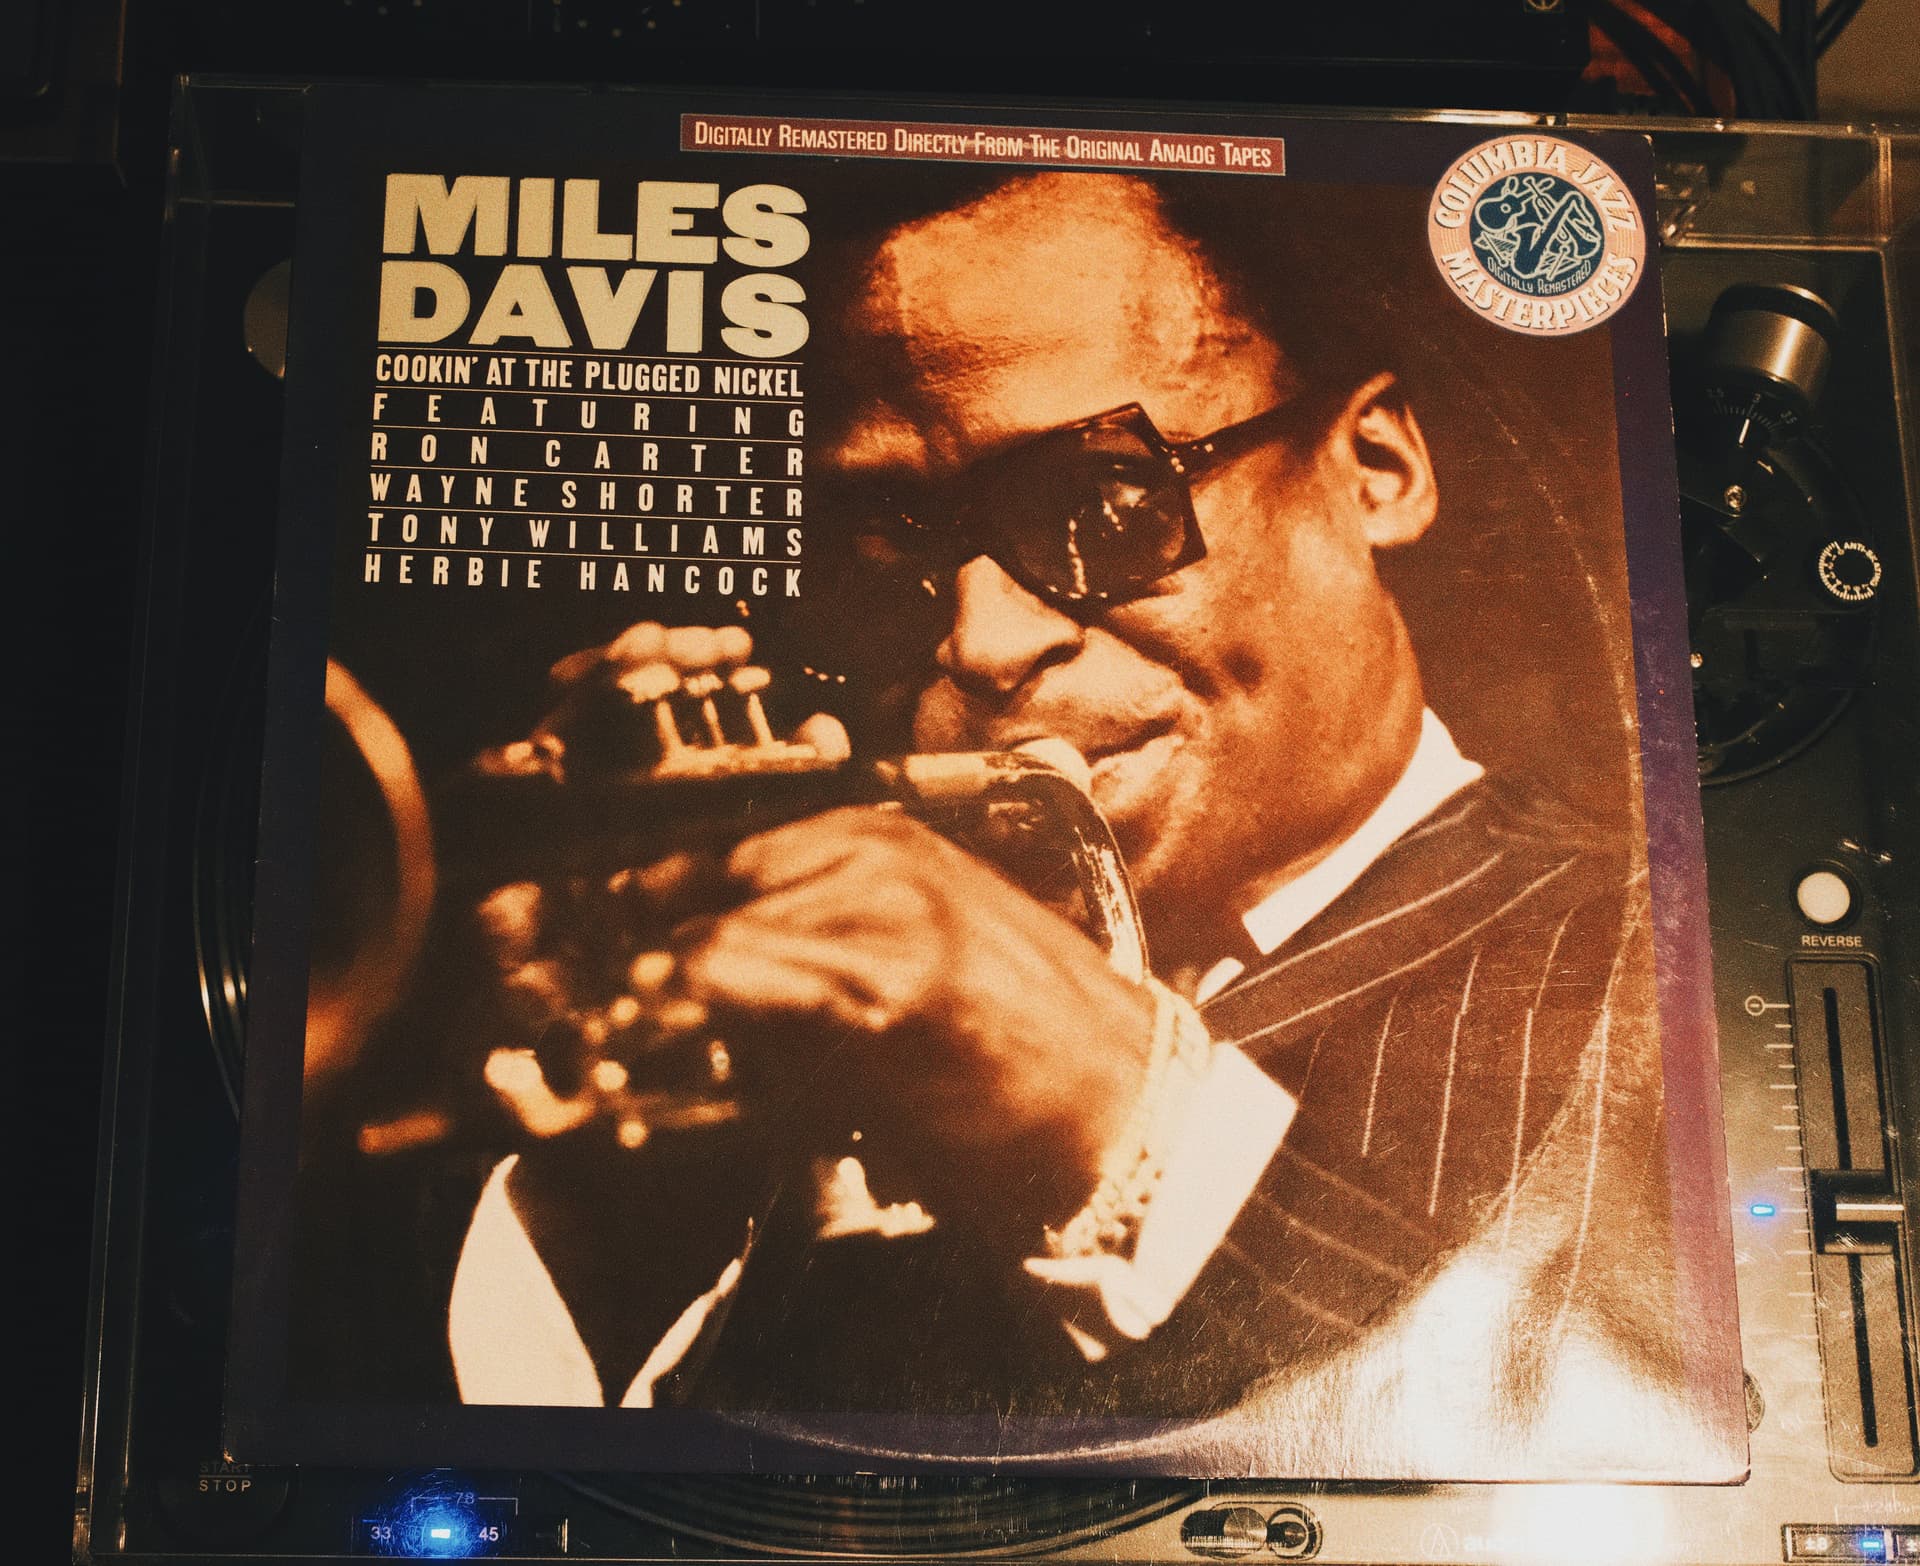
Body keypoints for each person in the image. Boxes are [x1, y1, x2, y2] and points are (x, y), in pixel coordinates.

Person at [441, 171, 1718, 1474]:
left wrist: (1106, 1091)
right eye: (895, 547)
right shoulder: (840, 1041)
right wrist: (625, 1192)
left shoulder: (1655, 970)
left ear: (1374, 468)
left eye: (1102, 501)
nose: (984, 642)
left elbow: (1600, 1425)